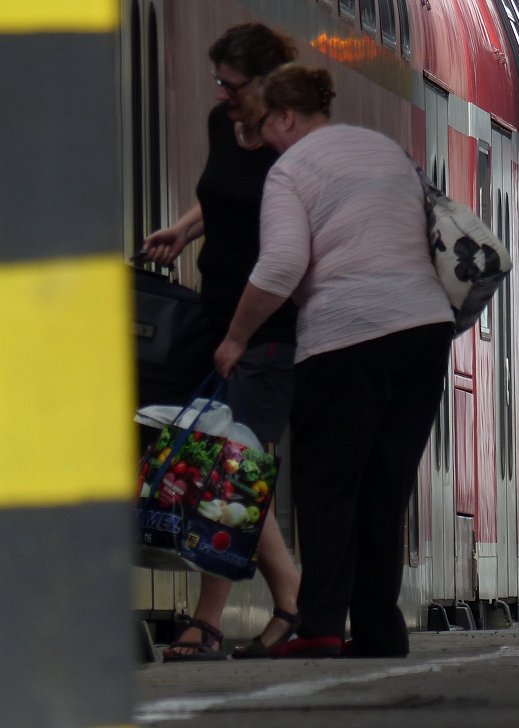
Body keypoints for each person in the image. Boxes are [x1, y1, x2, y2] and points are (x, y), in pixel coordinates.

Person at [214, 64, 454, 658]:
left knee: (328, 487)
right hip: (423, 331)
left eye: (267, 122)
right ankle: (378, 628)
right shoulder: (386, 150)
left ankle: (320, 624)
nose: (263, 135)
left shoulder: (291, 169)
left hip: (346, 337)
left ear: (287, 117)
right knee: (384, 484)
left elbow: (281, 266)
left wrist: (236, 337)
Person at [142, 23, 302, 661]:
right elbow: (223, 198)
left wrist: (242, 332)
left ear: (267, 84)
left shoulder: (292, 146)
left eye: (232, 85)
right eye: (220, 83)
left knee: (228, 468)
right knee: (227, 462)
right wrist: (182, 230)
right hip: (219, 317)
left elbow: (287, 234)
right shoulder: (221, 124)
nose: (223, 94)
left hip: (270, 327)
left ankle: (209, 620)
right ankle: (289, 593)